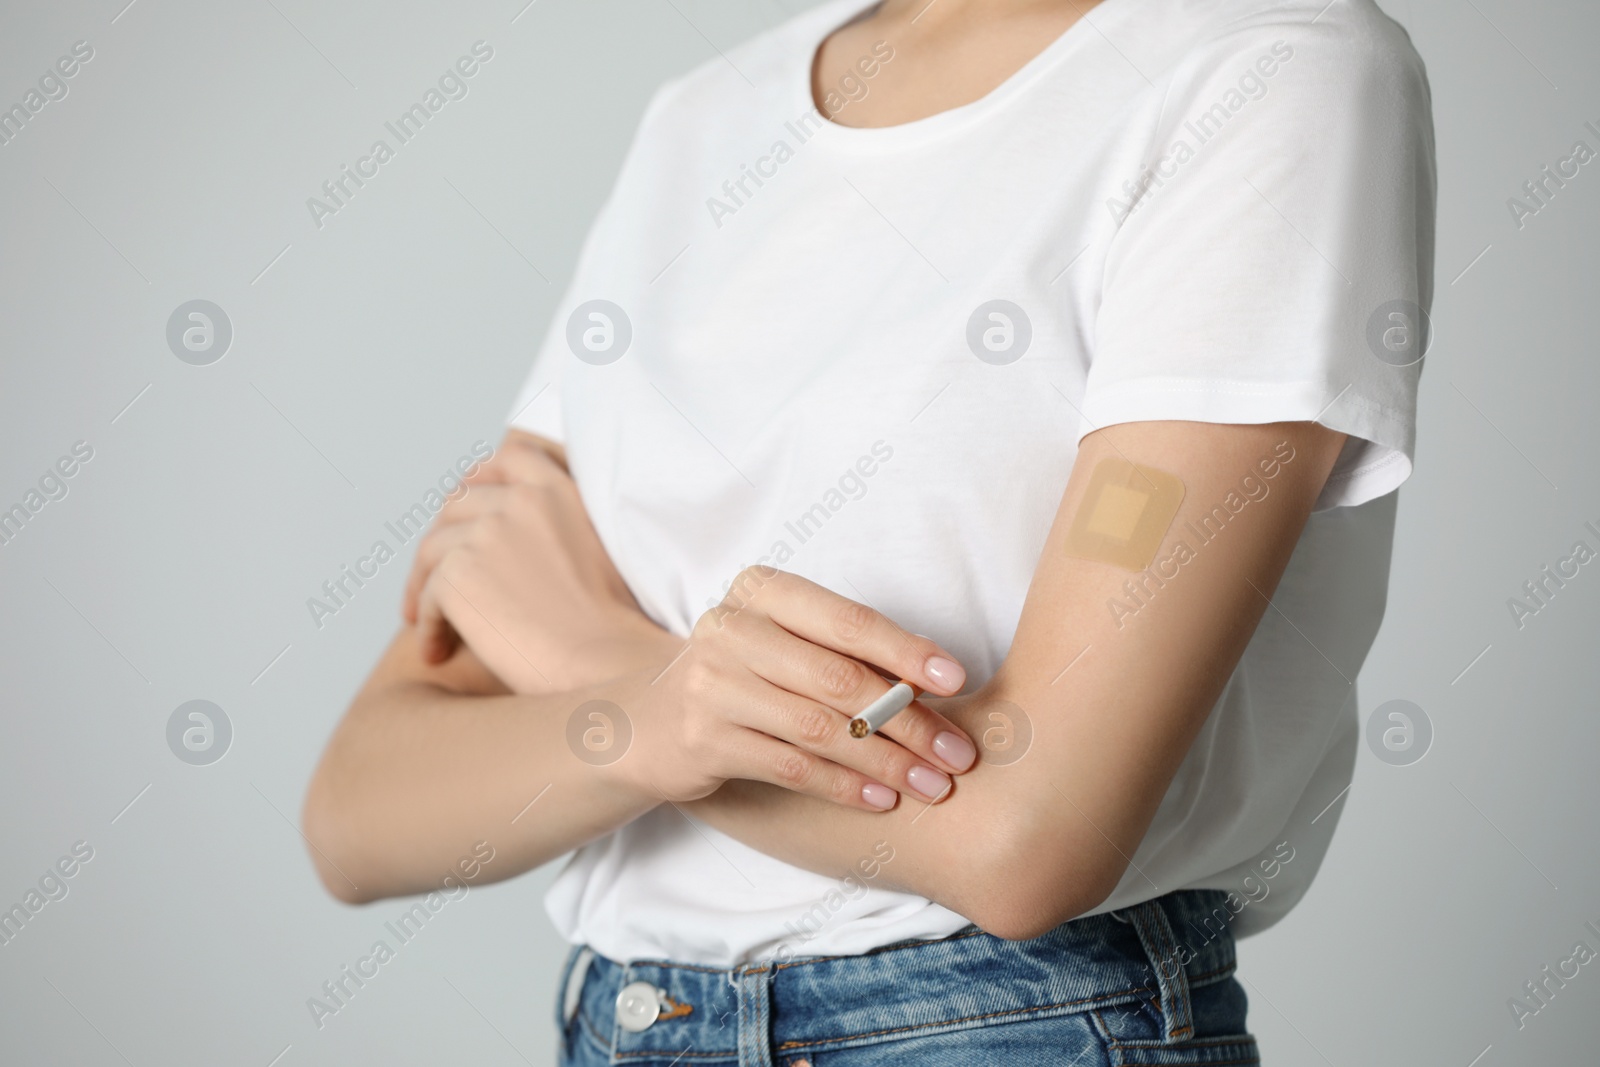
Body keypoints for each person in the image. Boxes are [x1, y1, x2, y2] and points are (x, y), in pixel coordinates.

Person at [303, 0, 1435, 1061]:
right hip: (624, 1018)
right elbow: (359, 809)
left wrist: (618, 684)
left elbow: (1023, 840)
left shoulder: (1267, 64)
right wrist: (653, 713)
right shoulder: (705, 117)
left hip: (1005, 1021)